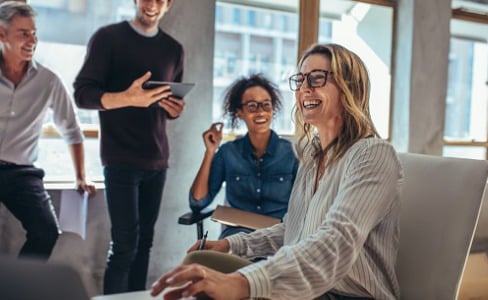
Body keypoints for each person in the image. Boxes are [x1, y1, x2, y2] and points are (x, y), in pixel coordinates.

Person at [151, 43, 403, 300]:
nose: (305, 88)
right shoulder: (312, 154)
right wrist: (231, 244)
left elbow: (336, 242)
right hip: (309, 286)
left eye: (317, 78)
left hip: (345, 295)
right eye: (301, 79)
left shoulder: (373, 154)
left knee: (217, 290)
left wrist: (244, 283)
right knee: (201, 262)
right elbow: (292, 230)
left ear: (349, 86)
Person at [72, 0, 186, 295]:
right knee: (124, 247)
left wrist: (174, 109)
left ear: (169, 5)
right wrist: (126, 98)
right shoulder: (108, 38)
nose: (152, 4)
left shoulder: (174, 50)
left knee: (144, 245)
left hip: (157, 160)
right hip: (120, 158)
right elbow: (82, 94)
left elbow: (170, 104)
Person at [0, 1, 95, 261]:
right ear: (2, 34)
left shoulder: (48, 81)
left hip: (22, 173)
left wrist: (80, 177)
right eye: (23, 33)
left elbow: (72, 131)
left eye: (34, 32)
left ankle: (18, 289)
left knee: (46, 232)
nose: (32, 40)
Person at [190, 74, 299, 239]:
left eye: (266, 105)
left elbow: (307, 205)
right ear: (239, 112)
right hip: (236, 237)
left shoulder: (292, 153)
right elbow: (198, 202)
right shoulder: (228, 153)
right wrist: (210, 151)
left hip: (279, 238)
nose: (261, 112)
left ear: (273, 109)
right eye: (252, 106)